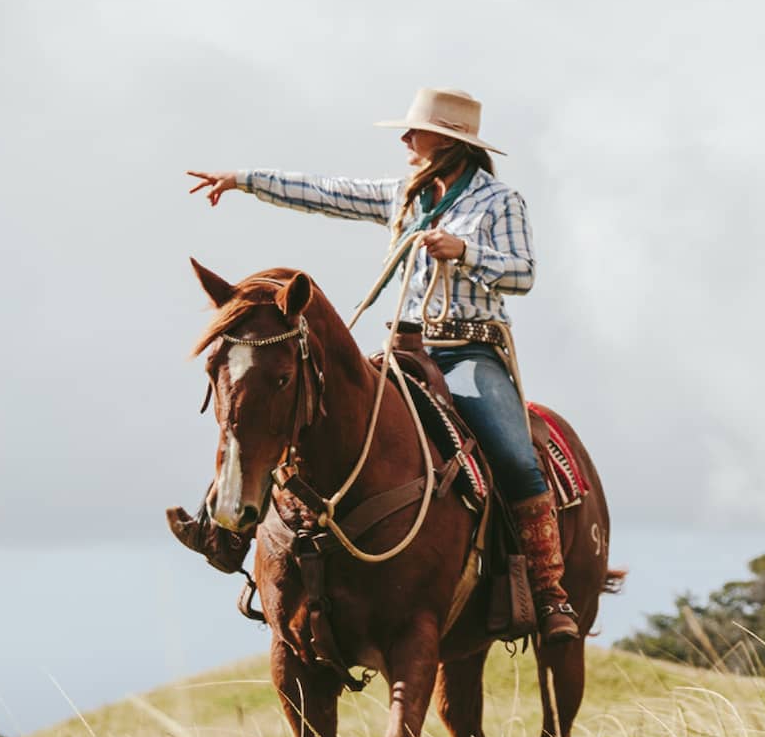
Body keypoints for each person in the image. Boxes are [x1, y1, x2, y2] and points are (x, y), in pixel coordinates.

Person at [170, 86, 579, 641]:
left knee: (515, 457)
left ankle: (551, 593)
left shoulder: (498, 202)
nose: (406, 139)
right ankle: (230, 534)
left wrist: (465, 253)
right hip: (403, 348)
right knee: (301, 410)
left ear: (450, 142)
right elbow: (327, 193)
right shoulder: (405, 196)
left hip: (468, 352)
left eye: (416, 131)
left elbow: (523, 274)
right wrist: (243, 179)